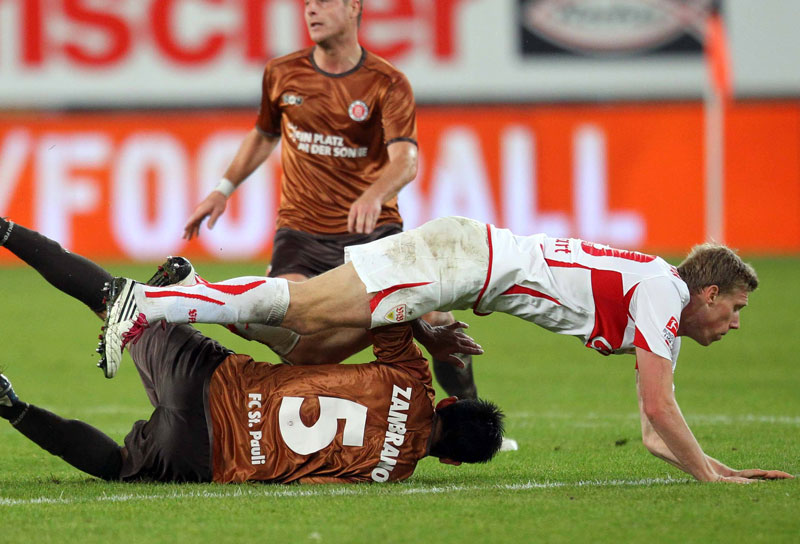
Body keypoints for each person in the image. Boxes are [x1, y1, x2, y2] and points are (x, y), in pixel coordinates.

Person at [109, 215, 795, 484]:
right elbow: (658, 404)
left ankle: (187, 290)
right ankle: (145, 304)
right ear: (707, 296)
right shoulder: (662, 296)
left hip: (465, 266)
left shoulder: (655, 289)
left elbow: (651, 435)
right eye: (736, 308)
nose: (735, 323)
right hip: (464, 262)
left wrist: (722, 472)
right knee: (299, 305)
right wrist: (713, 480)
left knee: (309, 344)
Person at [0, 218, 504, 483]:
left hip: (210, 381)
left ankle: (6, 231)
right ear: (452, 463)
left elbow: (387, 309)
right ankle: (10, 406)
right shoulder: (389, 473)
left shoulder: (412, 376)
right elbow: (310, 483)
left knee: (112, 298)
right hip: (212, 454)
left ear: (448, 402)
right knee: (115, 466)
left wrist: (427, 333)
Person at [180, 0, 478, 403]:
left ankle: (468, 412)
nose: (311, 10)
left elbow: (407, 160)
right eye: (305, 2)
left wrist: (374, 194)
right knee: (293, 329)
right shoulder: (282, 73)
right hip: (301, 231)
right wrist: (222, 189)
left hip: (371, 232)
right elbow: (265, 134)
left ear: (354, 7)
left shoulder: (386, 82)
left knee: (437, 318)